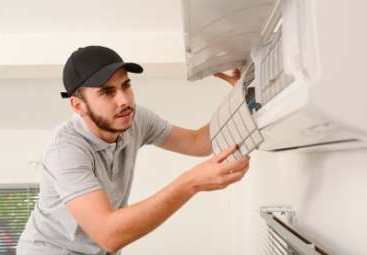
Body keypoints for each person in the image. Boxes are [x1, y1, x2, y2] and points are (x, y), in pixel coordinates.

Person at [16, 45, 249, 255]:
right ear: (79, 106)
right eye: (107, 92)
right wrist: (192, 182)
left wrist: (242, 95)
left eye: (126, 86)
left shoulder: (135, 119)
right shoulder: (65, 151)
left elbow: (199, 142)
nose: (124, 100)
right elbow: (109, 234)